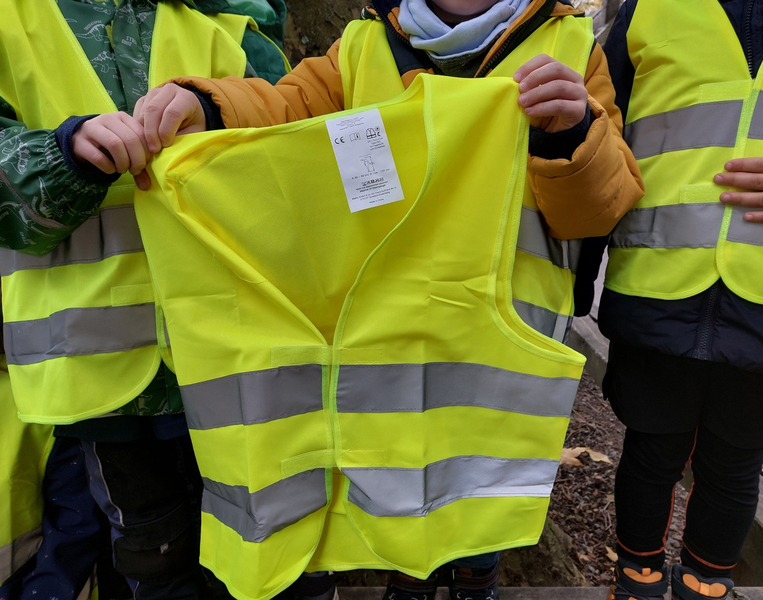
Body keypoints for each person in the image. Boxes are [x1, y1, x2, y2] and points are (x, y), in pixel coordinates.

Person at [132, 0, 643, 598]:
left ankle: (477, 573)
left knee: (480, 481)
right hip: (391, 333)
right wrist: (208, 104)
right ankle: (409, 578)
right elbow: (282, 109)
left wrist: (575, 133)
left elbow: (601, 210)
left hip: (499, 343)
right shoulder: (360, 48)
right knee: (401, 475)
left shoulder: (573, 49)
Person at [0, 1, 288, 598]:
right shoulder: (9, 25)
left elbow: (293, 156)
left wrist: (218, 120)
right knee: (154, 561)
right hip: (100, 381)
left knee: (266, 557)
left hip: (231, 365)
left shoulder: (227, 27)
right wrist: (63, 155)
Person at [579, 1, 763, 599]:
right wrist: (578, 277)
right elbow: (600, 136)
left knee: (736, 458)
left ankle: (708, 587)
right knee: (651, 445)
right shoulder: (648, 8)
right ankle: (637, 580)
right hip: (658, 281)